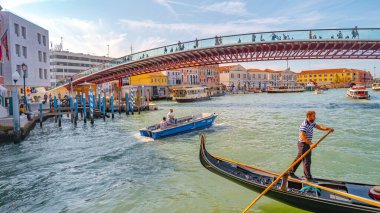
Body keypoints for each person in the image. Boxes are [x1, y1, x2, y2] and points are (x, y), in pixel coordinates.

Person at [289, 110, 334, 182]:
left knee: (299, 158)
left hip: (305, 144)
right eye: (313, 116)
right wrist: (311, 144)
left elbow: (319, 126)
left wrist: (328, 129)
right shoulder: (304, 125)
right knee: (307, 160)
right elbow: (302, 136)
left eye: (314, 116)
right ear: (308, 116)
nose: (315, 117)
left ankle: (291, 172)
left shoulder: (311, 122)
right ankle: (308, 177)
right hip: (303, 144)